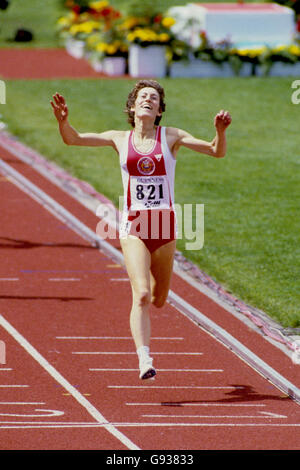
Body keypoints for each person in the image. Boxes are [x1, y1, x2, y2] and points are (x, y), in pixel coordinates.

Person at [50, 79, 231, 380]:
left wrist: (220, 132)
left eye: (154, 98)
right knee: (143, 295)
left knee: (160, 299)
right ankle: (144, 359)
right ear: (132, 106)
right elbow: (74, 139)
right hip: (133, 225)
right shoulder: (120, 139)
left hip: (164, 227)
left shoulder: (171, 136)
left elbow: (216, 151)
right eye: (143, 96)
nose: (148, 100)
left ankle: (147, 274)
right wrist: (63, 121)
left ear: (159, 111)